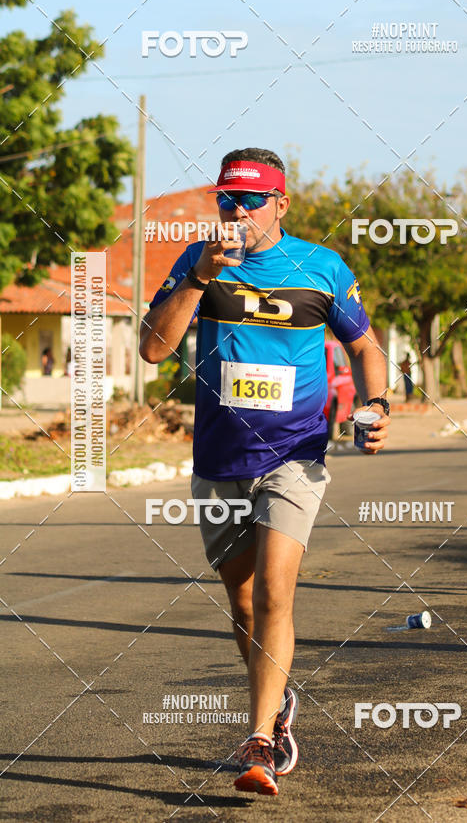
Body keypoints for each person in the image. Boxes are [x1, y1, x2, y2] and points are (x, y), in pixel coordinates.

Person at [139, 147, 390, 796]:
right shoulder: (197, 261)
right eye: (227, 200)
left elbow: (365, 347)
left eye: (250, 201)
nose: (237, 212)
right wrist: (198, 277)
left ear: (281, 204)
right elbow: (153, 349)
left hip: (294, 455)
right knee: (245, 601)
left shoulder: (321, 268)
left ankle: (258, 739)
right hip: (219, 459)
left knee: (277, 591)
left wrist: (376, 404)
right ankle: (275, 705)